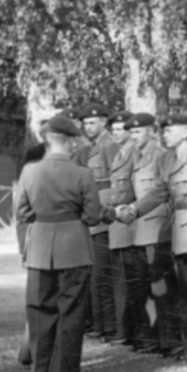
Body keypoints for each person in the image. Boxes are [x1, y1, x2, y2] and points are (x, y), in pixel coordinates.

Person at [16, 115, 102, 372]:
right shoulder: (82, 173)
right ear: (70, 142)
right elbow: (93, 216)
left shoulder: (29, 172)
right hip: (74, 248)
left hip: (40, 249)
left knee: (40, 310)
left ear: (48, 140)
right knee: (72, 310)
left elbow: (22, 212)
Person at [130, 113, 187, 362]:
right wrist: (133, 210)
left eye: (170, 130)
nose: (165, 135)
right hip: (179, 228)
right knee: (184, 290)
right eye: (164, 131)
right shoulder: (170, 159)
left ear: (185, 132)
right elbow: (160, 191)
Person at [120, 113, 178, 356]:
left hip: (157, 230)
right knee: (144, 287)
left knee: (162, 288)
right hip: (139, 230)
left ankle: (170, 340)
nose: (134, 136)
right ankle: (152, 337)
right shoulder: (135, 156)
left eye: (138, 131)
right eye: (131, 132)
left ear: (152, 131)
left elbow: (167, 192)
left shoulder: (162, 155)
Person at [75, 104, 117, 341]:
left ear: (104, 122)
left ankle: (109, 326)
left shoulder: (109, 145)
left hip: (104, 216)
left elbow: (116, 181)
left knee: (103, 273)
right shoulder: (89, 147)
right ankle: (101, 325)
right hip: (93, 214)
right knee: (96, 274)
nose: (88, 127)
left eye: (92, 122)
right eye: (85, 123)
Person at [105, 111, 146, 348]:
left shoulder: (134, 154)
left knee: (133, 281)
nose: (115, 133)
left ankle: (135, 333)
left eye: (120, 129)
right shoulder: (120, 154)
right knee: (122, 281)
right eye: (113, 129)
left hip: (130, 222)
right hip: (118, 224)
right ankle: (127, 331)